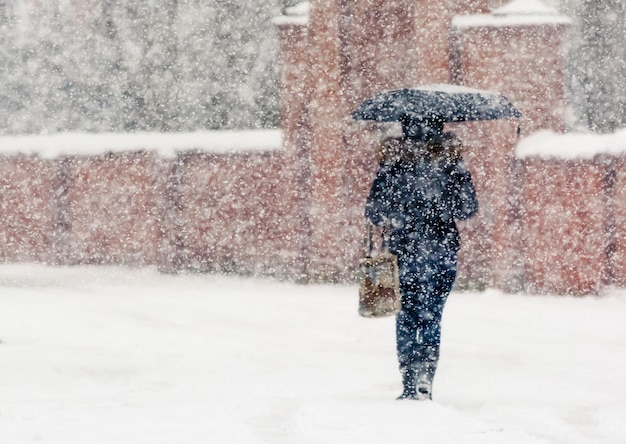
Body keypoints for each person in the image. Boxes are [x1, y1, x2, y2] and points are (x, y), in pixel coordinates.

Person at [365, 115, 479, 400]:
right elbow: (467, 209)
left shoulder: (392, 162)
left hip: (403, 248)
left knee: (406, 316)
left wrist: (398, 203)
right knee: (432, 314)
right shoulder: (452, 163)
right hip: (442, 251)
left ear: (404, 127)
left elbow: (374, 213)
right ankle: (426, 376)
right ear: (441, 126)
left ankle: (408, 380)